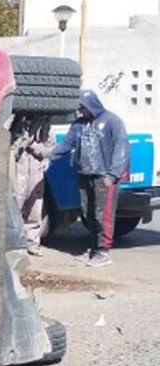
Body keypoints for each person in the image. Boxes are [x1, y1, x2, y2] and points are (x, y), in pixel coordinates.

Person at [51, 90, 130, 267]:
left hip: (104, 177)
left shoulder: (112, 121)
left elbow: (121, 148)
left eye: (83, 108)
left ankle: (103, 252)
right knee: (89, 214)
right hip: (84, 175)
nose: (80, 111)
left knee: (103, 214)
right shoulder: (79, 124)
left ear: (92, 105)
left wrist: (113, 175)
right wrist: (48, 154)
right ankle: (94, 249)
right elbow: (67, 144)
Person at [13, 116, 54, 256]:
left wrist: (44, 155)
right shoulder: (15, 121)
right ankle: (14, 244)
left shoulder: (45, 123)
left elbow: (50, 147)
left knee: (35, 206)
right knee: (15, 204)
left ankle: (32, 243)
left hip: (36, 167)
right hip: (19, 165)